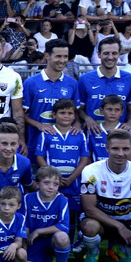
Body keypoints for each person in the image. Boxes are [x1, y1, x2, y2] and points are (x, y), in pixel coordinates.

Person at [79, 129, 131, 262]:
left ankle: (124, 250)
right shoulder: (90, 171)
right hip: (100, 221)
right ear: (107, 148)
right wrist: (119, 227)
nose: (120, 153)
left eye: (125, 149)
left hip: (128, 221)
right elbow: (89, 209)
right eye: (115, 148)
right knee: (90, 227)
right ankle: (93, 253)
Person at [34, 98, 91, 242]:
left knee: (72, 214)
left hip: (74, 182)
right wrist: (53, 178)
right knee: (53, 212)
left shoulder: (79, 135)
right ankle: (50, 244)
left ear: (74, 116)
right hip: (53, 183)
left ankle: (71, 243)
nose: (66, 116)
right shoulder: (46, 133)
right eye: (62, 113)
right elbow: (39, 157)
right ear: (54, 115)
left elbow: (84, 159)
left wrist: (72, 178)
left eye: (70, 113)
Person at [21, 39, 79, 155]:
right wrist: (39, 125)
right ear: (47, 56)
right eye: (58, 56)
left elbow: (76, 111)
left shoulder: (72, 83)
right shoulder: (31, 83)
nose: (62, 61)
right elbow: (22, 114)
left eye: (65, 57)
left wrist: (77, 124)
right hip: (36, 146)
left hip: (64, 149)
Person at [20, 165, 74, 262]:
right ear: (37, 184)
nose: (51, 187)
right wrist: (24, 247)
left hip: (52, 241)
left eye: (55, 184)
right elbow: (24, 225)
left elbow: (64, 226)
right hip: (33, 242)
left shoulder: (62, 200)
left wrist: (39, 231)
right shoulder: (27, 199)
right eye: (47, 183)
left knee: (62, 236)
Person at [78, 37, 131, 134]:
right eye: (106, 53)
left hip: (119, 133)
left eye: (114, 53)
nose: (110, 57)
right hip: (93, 133)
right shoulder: (85, 79)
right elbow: (79, 108)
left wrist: (130, 122)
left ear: (119, 54)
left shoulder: (130, 79)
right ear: (99, 54)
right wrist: (87, 118)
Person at [88, 95, 131, 163]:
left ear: (122, 112)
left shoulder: (127, 130)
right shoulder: (93, 130)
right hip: (97, 170)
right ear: (101, 111)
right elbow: (88, 155)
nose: (113, 113)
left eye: (117, 110)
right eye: (109, 109)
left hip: (119, 169)